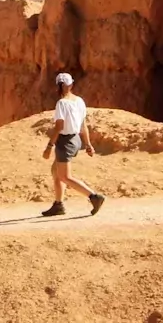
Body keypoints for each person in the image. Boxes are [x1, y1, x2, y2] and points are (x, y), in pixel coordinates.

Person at [41, 73, 106, 217]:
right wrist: (88, 144)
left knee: (65, 176)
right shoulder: (79, 101)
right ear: (71, 85)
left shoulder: (61, 104)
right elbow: (83, 125)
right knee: (55, 171)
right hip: (76, 140)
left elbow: (59, 127)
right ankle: (58, 205)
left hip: (65, 142)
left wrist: (49, 146)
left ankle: (94, 197)